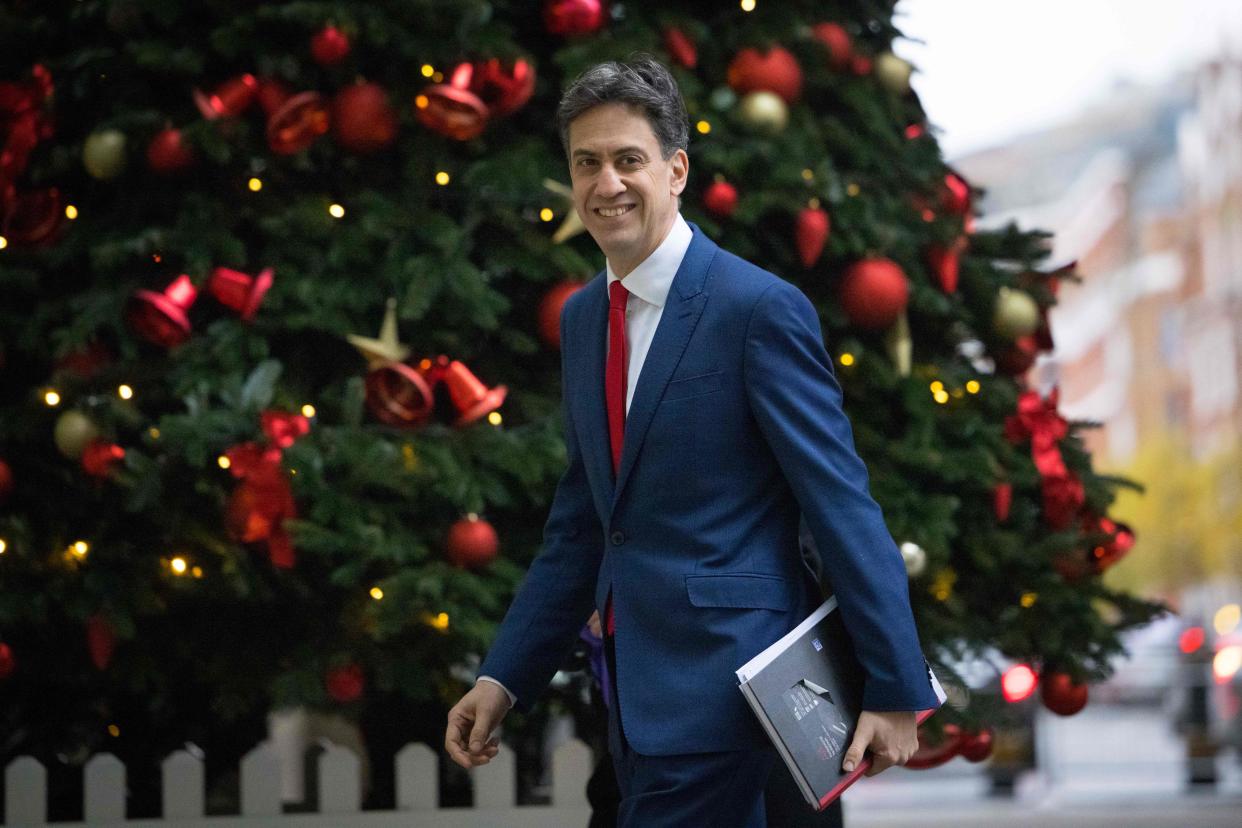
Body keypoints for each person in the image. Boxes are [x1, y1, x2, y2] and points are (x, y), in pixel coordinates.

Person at [445, 55, 940, 827]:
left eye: (628, 160)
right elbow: (584, 525)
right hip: (630, 706)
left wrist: (896, 687)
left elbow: (840, 504)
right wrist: (503, 679)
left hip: (737, 703)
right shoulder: (582, 320)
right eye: (587, 163)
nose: (606, 183)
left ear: (676, 171)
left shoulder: (756, 309)